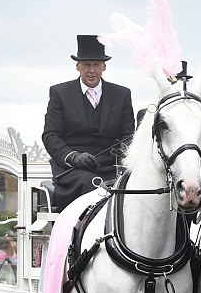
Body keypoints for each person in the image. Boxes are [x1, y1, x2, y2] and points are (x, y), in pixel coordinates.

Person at [42, 34, 135, 211]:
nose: (91, 70)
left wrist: (122, 150)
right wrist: (73, 157)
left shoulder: (122, 95)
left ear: (104, 66)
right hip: (73, 169)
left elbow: (129, 134)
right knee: (91, 184)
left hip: (110, 166)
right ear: (78, 66)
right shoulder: (60, 93)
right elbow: (50, 135)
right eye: (86, 65)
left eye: (96, 65)